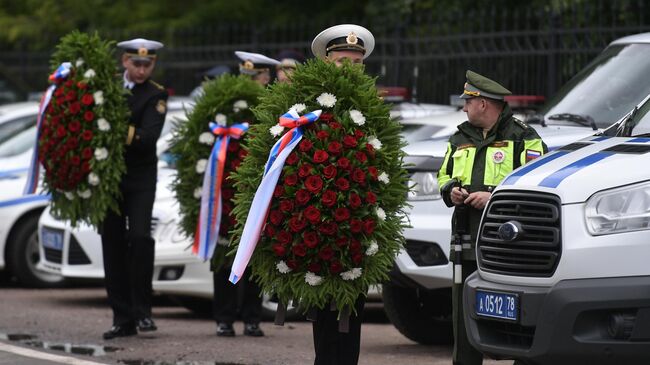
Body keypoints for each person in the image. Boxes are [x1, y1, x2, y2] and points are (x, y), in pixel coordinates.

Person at [437, 70, 547, 364]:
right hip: (466, 240)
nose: (464, 107)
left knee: (521, 316)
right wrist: (451, 191)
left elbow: (536, 183)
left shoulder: (525, 137)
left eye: (467, 101)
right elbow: (443, 175)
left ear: (482, 103)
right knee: (463, 319)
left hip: (510, 245)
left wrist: (493, 198)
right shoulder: (458, 138)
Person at [309, 23, 376, 365]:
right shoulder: (310, 102)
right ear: (327, 62)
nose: (350, 69)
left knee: (353, 303)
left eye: (356, 63)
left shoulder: (373, 105)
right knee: (323, 308)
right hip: (318, 217)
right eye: (342, 62)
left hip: (359, 217)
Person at [101, 38, 168, 340]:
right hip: (110, 176)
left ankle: (143, 312)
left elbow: (148, 137)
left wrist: (111, 126)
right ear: (124, 62)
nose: (142, 70)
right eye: (136, 63)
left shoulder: (156, 95)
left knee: (140, 237)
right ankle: (121, 317)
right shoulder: (107, 87)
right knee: (112, 242)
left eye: (148, 64)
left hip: (140, 177)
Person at [209, 52, 279, 338]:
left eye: (258, 77)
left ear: (266, 78)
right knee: (224, 253)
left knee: (255, 254)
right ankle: (224, 318)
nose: (252, 83)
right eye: (247, 77)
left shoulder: (273, 108)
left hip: (257, 191)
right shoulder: (229, 107)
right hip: (228, 189)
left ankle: (252, 317)